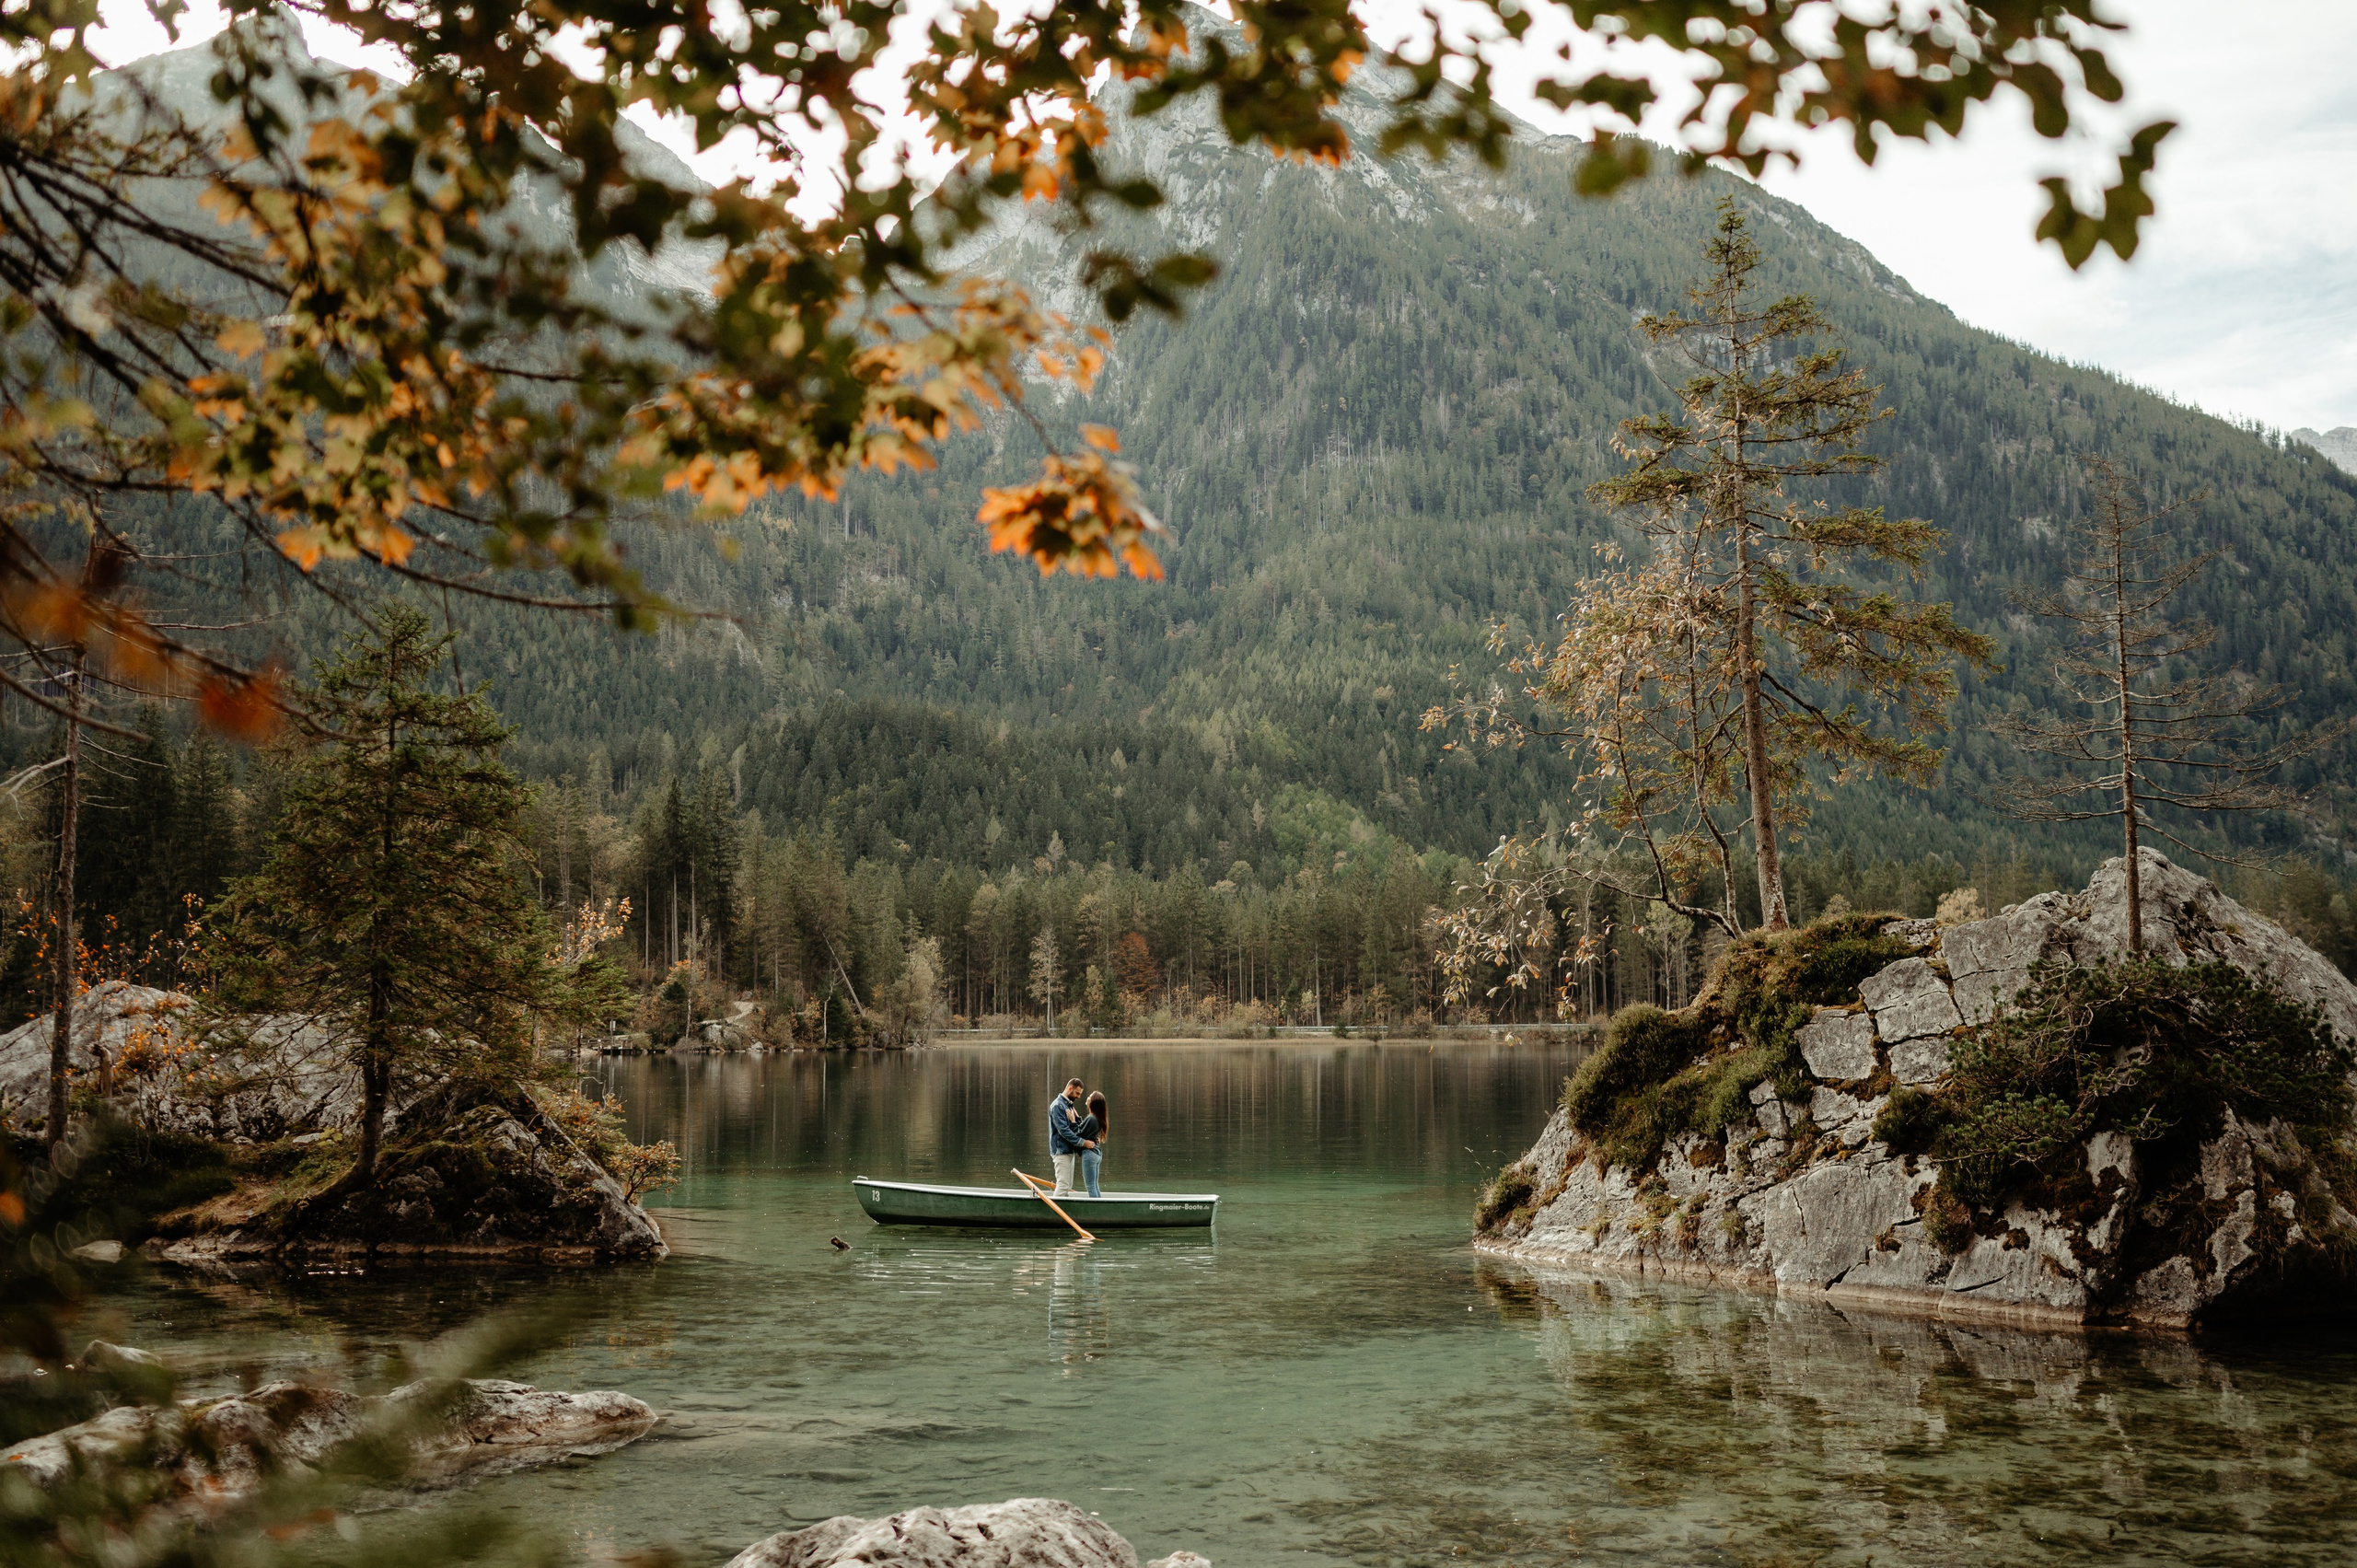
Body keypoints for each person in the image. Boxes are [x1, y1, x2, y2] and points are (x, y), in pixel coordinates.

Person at [1049, 1076, 1086, 1194]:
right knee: (1063, 1185)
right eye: (1077, 1093)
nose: (1079, 1097)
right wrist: (1082, 1142)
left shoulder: (1069, 1106)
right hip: (1061, 1151)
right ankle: (1054, 1211)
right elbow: (1063, 1130)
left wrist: (1077, 1118)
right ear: (1070, 1089)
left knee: (1068, 1185)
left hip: (1069, 1150)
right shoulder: (1057, 1106)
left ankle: (1063, 1208)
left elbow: (1077, 1127)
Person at [1077, 1090, 1109, 1198]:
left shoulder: (1091, 1118)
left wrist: (1072, 1121)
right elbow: (1085, 1130)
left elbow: (1078, 1133)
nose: (1088, 1097)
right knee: (1094, 1185)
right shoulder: (1096, 1118)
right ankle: (1100, 1207)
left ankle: (1096, 1209)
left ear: (1093, 1102)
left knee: (1091, 1186)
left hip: (1090, 1155)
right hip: (1096, 1154)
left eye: (1090, 1096)